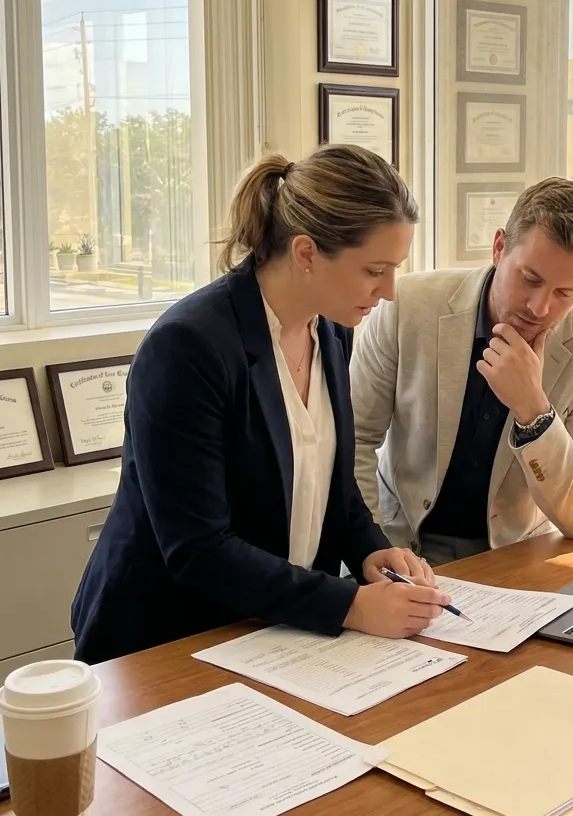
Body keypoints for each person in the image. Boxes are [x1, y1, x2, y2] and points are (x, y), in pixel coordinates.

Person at [72, 145, 449, 663]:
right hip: (166, 638)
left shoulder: (333, 330)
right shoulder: (187, 347)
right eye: (374, 270)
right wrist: (350, 607)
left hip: (274, 633)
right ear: (306, 253)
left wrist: (369, 548)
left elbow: (331, 490)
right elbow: (198, 549)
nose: (388, 292)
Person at [350, 176, 573, 567]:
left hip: (516, 559)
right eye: (530, 279)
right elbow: (354, 441)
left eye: (565, 293)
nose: (539, 307)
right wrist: (372, 547)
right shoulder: (407, 306)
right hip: (397, 540)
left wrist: (534, 411)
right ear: (499, 247)